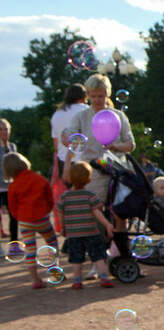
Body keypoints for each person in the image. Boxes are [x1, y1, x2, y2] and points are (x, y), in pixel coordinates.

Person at [61, 74, 135, 259]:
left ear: (107, 95)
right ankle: (98, 259)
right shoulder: (82, 116)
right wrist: (70, 140)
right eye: (93, 96)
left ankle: (122, 256)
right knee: (95, 213)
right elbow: (67, 135)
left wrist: (115, 146)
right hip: (93, 170)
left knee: (120, 214)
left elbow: (130, 144)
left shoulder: (118, 115)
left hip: (116, 168)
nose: (97, 100)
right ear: (88, 95)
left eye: (100, 96)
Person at [3, 152, 58, 289]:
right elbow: (49, 198)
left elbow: (12, 206)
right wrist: (47, 210)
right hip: (42, 219)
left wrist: (19, 217)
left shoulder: (14, 185)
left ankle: (35, 280)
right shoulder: (39, 179)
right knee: (52, 243)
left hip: (25, 221)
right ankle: (55, 273)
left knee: (30, 250)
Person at [56, 161, 116, 289]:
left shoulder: (65, 196)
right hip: (91, 232)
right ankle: (104, 278)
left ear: (70, 179)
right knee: (98, 255)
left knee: (76, 258)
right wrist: (107, 224)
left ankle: (77, 281)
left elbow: (60, 211)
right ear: (89, 180)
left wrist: (62, 227)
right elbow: (97, 213)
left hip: (73, 234)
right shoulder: (90, 195)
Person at [50, 84, 87, 183]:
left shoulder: (57, 114)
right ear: (84, 96)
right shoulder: (87, 110)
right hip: (85, 159)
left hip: (64, 161)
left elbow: (56, 145)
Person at [0, 118, 18, 240]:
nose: (4, 132)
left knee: (14, 215)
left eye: (6, 129)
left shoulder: (12, 147)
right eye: (1, 129)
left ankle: (14, 242)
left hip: (10, 187)